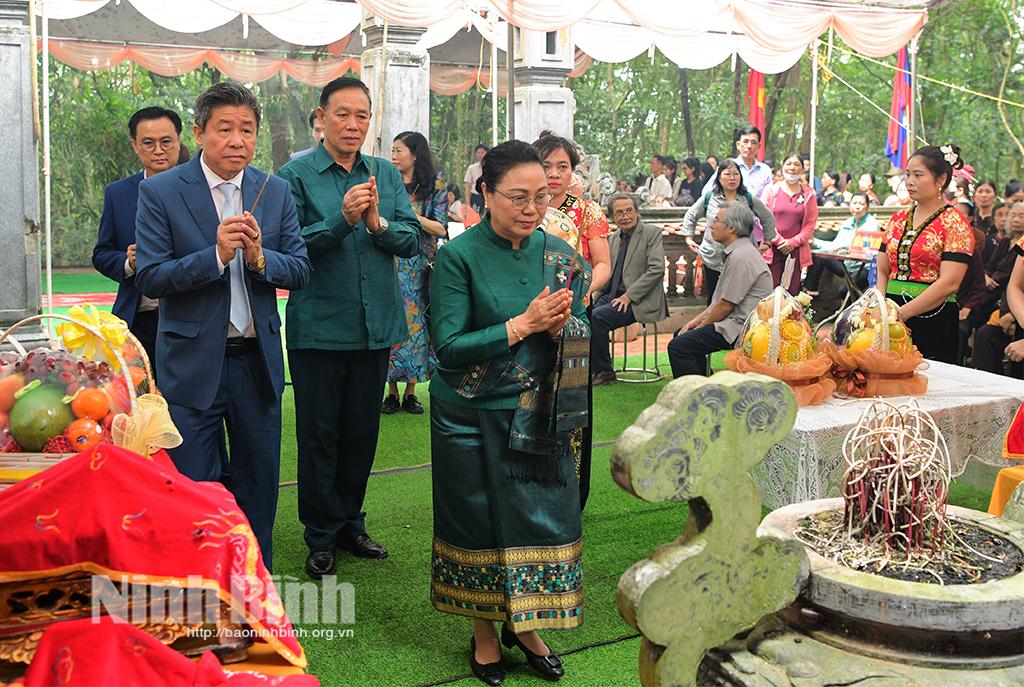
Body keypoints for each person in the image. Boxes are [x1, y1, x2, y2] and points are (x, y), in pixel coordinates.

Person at [429, 140, 588, 686]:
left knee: (537, 521)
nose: (531, 208)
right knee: (477, 523)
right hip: (468, 413)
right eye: (518, 197)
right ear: (486, 193)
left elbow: (578, 325)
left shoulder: (561, 255)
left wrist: (564, 325)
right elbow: (448, 348)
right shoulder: (457, 256)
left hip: (537, 411)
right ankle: (484, 633)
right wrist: (522, 325)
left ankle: (527, 627)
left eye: (541, 197)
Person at [134, 83, 312, 572]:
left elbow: (300, 269)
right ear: (199, 133)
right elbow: (151, 276)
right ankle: (199, 589)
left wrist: (259, 258)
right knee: (194, 487)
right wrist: (214, 255)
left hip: (256, 364)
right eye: (225, 129)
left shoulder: (274, 190)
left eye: (247, 130)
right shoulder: (161, 191)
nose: (237, 140)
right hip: (191, 367)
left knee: (258, 487)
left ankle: (255, 589)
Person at [277, 77, 420, 579]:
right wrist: (341, 220)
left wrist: (378, 224)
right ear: (321, 117)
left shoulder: (385, 173)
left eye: (362, 115)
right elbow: (289, 248)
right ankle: (319, 534)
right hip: (318, 329)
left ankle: (350, 523)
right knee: (319, 435)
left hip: (374, 326)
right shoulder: (294, 175)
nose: (353, 124)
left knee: (361, 434)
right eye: (343, 114)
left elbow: (410, 239)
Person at [534, 131, 610, 511]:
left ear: (572, 171)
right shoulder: (523, 206)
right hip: (529, 314)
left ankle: (571, 492)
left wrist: (580, 292)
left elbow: (603, 265)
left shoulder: (587, 212)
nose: (554, 174)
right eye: (546, 165)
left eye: (562, 167)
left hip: (574, 316)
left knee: (571, 403)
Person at [93, 106, 182, 370]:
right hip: (137, 320)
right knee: (138, 391)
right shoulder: (118, 193)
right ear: (135, 145)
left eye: (166, 141)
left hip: (189, 320)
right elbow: (102, 253)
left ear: (179, 141)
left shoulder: (203, 189)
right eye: (148, 143)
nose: (158, 150)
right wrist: (128, 262)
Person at [876, 144, 974, 364]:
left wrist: (901, 314)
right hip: (890, 313)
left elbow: (949, 282)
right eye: (907, 174)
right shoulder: (898, 219)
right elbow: (882, 268)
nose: (909, 181)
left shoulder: (955, 223)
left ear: (941, 179)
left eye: (918, 175)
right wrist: (882, 306)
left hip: (933, 315)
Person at [382, 131, 448, 415]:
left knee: (416, 327)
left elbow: (441, 227)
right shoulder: (387, 181)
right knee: (390, 321)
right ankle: (391, 391)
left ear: (414, 154)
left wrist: (411, 216)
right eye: (392, 150)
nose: (394, 156)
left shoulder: (434, 185)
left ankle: (410, 391)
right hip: (388, 260)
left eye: (399, 150)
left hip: (420, 266)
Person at [667, 201, 772, 377]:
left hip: (741, 327)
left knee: (680, 346)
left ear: (731, 228)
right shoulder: (739, 252)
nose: (711, 225)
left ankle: (696, 391)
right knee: (682, 335)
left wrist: (701, 326)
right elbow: (718, 302)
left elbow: (725, 306)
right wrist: (695, 322)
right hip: (732, 321)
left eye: (716, 220)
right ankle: (703, 384)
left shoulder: (741, 256)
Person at [590, 193, 667, 387]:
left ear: (637, 212)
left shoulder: (652, 233)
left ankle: (604, 371)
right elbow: (607, 272)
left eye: (629, 211)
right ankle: (590, 368)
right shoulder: (613, 238)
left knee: (598, 317)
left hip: (640, 299)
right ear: (612, 217)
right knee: (585, 314)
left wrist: (628, 296)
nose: (625, 216)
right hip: (611, 295)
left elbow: (657, 269)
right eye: (619, 213)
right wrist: (592, 295)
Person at [686, 160, 775, 303]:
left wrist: (768, 241)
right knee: (714, 297)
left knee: (739, 297)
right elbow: (691, 215)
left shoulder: (748, 198)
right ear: (719, 178)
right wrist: (689, 237)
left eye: (736, 174)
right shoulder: (709, 198)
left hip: (742, 258)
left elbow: (767, 217)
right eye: (727, 174)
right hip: (714, 256)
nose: (732, 178)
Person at [762, 152, 819, 295]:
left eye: (796, 164)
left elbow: (810, 223)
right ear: (782, 167)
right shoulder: (771, 191)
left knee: (791, 293)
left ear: (803, 169)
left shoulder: (808, 194)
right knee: (770, 292)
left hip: (795, 251)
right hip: (772, 248)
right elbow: (763, 218)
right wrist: (779, 241)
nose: (792, 168)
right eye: (788, 164)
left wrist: (793, 242)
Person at [804, 192, 875, 295]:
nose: (857, 206)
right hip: (846, 265)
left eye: (861, 204)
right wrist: (814, 242)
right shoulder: (848, 222)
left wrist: (842, 248)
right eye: (854, 203)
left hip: (864, 268)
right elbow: (835, 245)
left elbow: (850, 246)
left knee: (844, 292)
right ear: (850, 206)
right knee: (819, 254)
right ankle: (810, 291)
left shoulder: (872, 224)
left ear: (867, 207)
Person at [701, 126, 773, 199]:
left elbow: (770, 198)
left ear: (758, 147)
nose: (749, 146)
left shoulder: (765, 171)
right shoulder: (726, 167)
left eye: (753, 142)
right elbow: (706, 193)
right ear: (738, 145)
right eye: (745, 141)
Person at [972, 180, 1000, 261]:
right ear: (974, 196)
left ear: (995, 196)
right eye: (980, 191)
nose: (984, 195)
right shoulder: (970, 217)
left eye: (988, 192)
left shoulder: (999, 218)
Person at [465, 143, 488, 215]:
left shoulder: (491, 168)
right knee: (475, 218)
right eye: (478, 153)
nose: (480, 155)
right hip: (476, 197)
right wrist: (468, 204)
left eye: (482, 152)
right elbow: (468, 187)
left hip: (488, 197)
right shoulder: (471, 168)